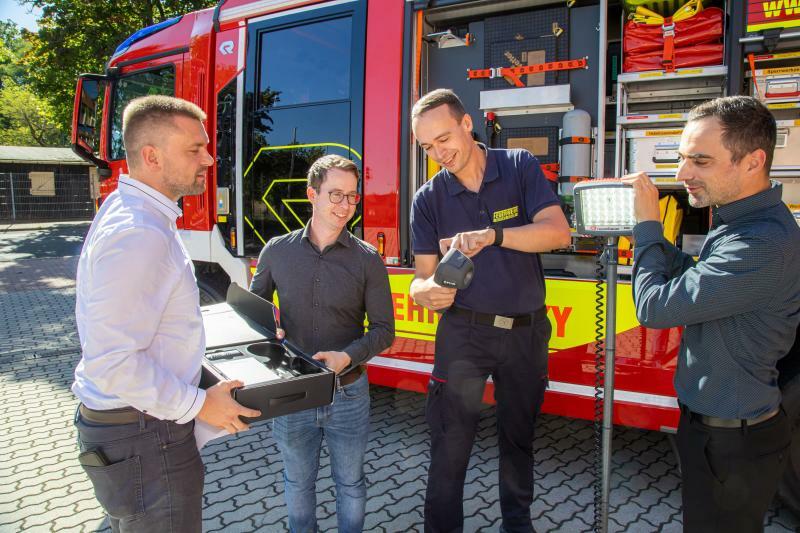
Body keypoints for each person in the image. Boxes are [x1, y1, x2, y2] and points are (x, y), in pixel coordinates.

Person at [72, 95, 260, 532]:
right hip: (145, 436)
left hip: (134, 431)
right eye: (194, 149)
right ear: (152, 156)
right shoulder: (139, 232)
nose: (209, 159)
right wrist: (198, 403)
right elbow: (114, 361)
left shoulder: (136, 214)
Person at [624, 95, 800, 532]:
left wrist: (647, 228)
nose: (683, 174)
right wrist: (659, 245)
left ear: (753, 161)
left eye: (700, 161)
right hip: (717, 432)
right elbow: (700, 285)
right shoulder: (742, 222)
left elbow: (655, 307)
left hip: (733, 444)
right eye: (683, 158)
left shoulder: (760, 242)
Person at [408, 88, 571, 533]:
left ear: (466, 124)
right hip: (464, 337)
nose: (438, 153)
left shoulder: (518, 165)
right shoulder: (428, 198)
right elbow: (421, 277)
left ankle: (517, 525)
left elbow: (558, 232)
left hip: (525, 334)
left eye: (444, 139)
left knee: (518, 441)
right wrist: (426, 292)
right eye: (427, 147)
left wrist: (493, 236)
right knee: (449, 448)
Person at [250, 154, 395, 533]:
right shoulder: (276, 251)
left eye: (352, 196)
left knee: (350, 484)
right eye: (335, 195)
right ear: (311, 194)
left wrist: (346, 357)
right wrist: (270, 333)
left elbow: (384, 330)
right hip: (292, 393)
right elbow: (251, 316)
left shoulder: (368, 260)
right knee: (298, 483)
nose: (345, 206)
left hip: (347, 394)